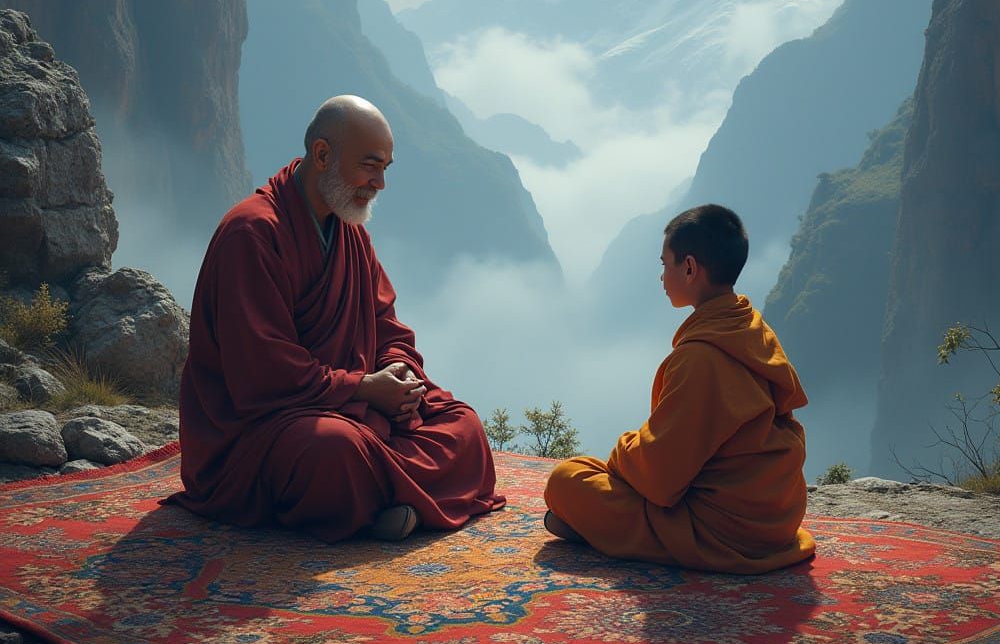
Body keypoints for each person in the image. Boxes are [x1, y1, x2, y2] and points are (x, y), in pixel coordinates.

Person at [169, 95, 505, 542]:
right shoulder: (252, 233)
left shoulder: (349, 230)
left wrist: (398, 371)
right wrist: (366, 389)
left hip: (354, 406)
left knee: (465, 427)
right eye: (370, 165)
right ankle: (392, 500)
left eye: (386, 167)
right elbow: (262, 374)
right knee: (333, 452)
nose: (380, 183)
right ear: (323, 155)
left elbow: (387, 323)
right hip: (260, 431)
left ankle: (381, 504)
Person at [543, 204, 815, 573]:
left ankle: (600, 533)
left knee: (567, 480)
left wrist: (626, 447)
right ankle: (599, 530)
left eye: (664, 264)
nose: (661, 277)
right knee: (592, 478)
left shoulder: (699, 358)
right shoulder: (750, 327)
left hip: (727, 531)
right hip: (778, 515)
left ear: (689, 268)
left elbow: (659, 480)